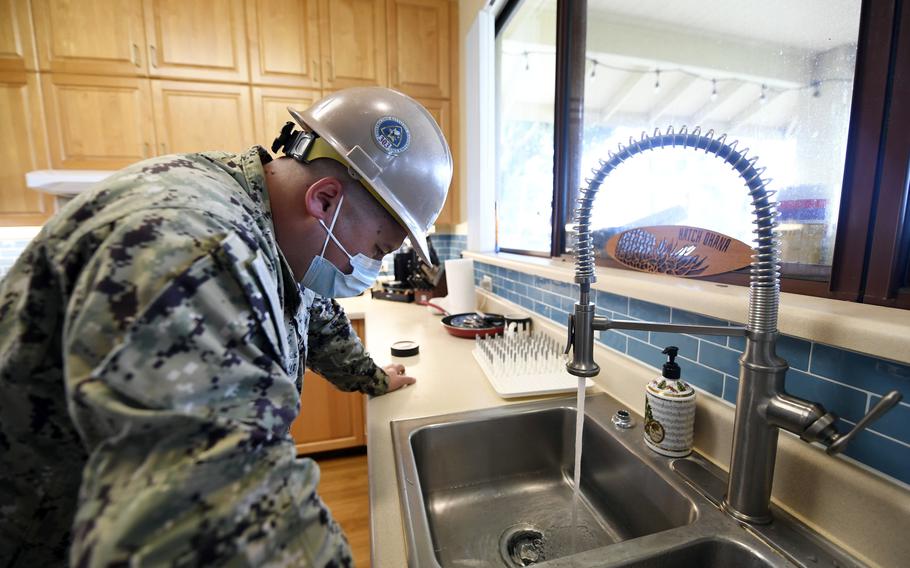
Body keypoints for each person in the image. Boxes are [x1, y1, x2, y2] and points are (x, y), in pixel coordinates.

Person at [0, 87, 452, 566]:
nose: (372, 267)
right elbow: (216, 525)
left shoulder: (273, 219)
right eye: (378, 250)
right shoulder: (196, 250)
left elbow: (314, 313)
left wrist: (371, 377)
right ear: (324, 200)